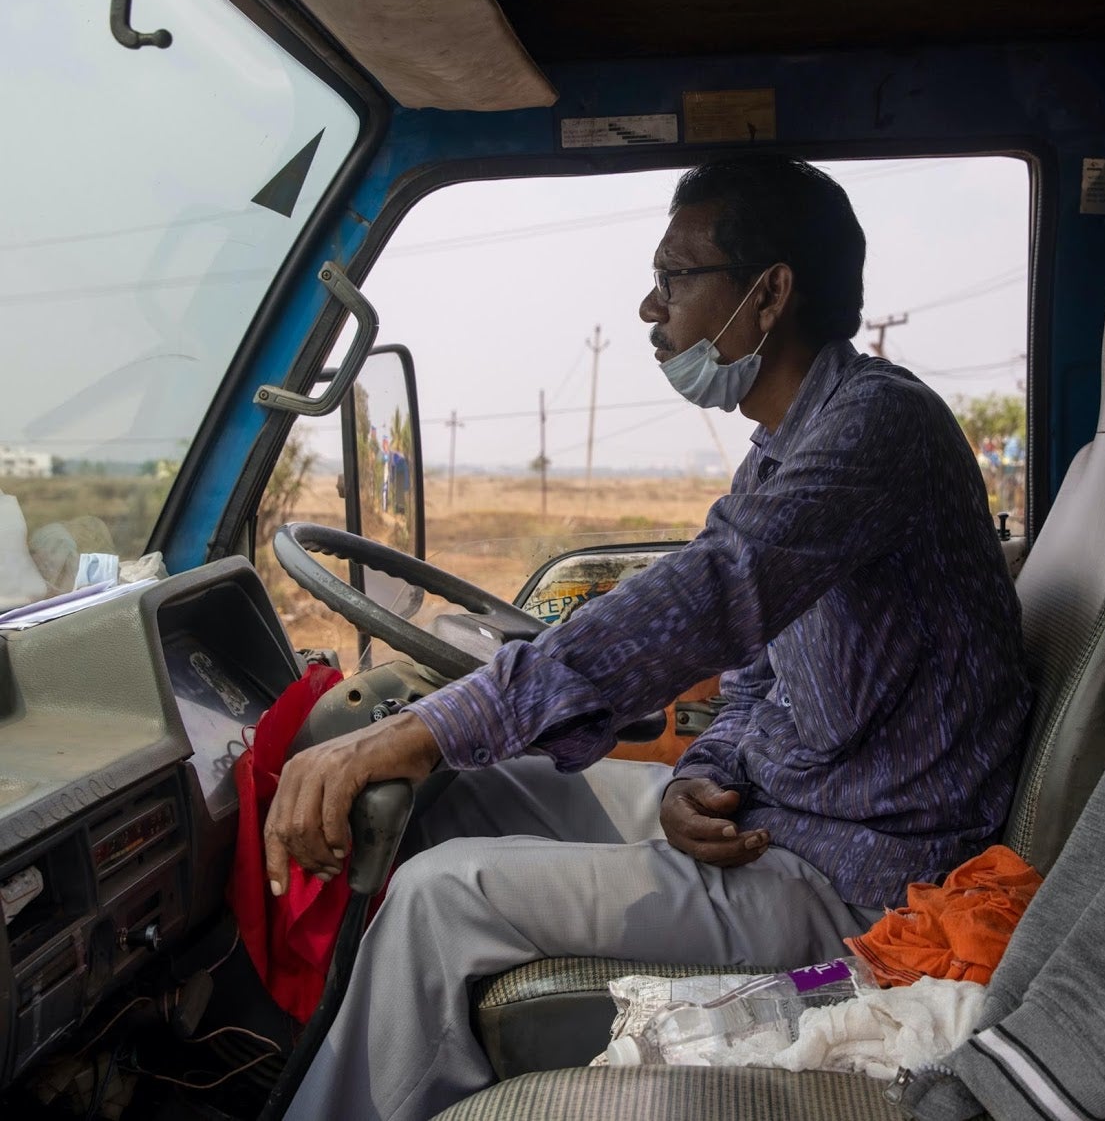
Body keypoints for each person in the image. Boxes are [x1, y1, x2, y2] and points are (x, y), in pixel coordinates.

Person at [268, 155, 1033, 1120]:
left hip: (854, 875)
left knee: (435, 894)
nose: (649, 306)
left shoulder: (880, 427)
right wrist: (693, 775)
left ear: (769, 294)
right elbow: (756, 672)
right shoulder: (781, 450)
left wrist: (417, 727)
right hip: (770, 818)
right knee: (457, 793)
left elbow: (713, 595)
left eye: (675, 277)